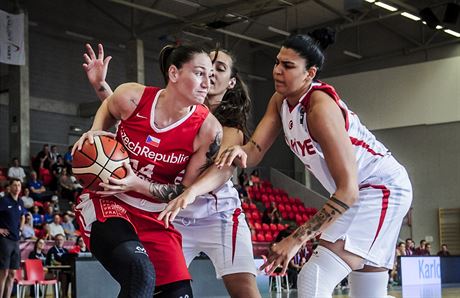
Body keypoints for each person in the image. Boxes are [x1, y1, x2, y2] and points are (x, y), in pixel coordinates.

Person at [216, 30, 413, 298]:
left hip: (379, 189)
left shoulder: (319, 109)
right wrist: (229, 144)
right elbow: (253, 154)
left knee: (314, 277)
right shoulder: (280, 101)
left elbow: (348, 190)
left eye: (288, 66)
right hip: (362, 192)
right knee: (368, 294)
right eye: (277, 62)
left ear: (310, 73)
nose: (277, 71)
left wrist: (295, 240)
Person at [83, 44, 260, 298]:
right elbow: (130, 115)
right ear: (176, 73)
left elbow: (218, 171)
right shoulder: (159, 99)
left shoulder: (219, 128)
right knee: (144, 279)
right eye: (204, 70)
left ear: (231, 83)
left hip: (209, 210)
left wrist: (188, 192)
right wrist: (101, 93)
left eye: (217, 71)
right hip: (167, 210)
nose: (209, 78)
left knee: (242, 289)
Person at [0, 179, 26, 298]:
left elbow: (23, 217)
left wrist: (20, 229)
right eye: (14, 185)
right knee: (4, 272)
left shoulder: (20, 202)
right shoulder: (4, 201)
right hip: (5, 241)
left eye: (19, 185)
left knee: (12, 273)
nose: (17, 187)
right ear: (9, 187)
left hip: (16, 241)